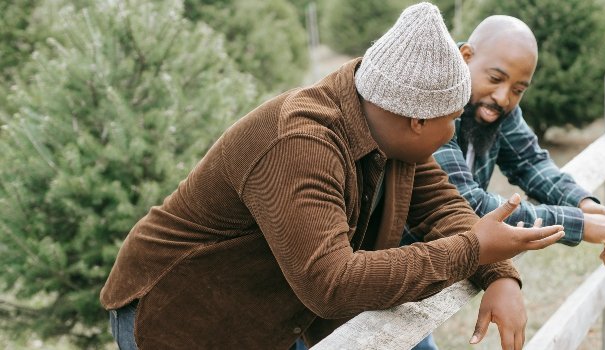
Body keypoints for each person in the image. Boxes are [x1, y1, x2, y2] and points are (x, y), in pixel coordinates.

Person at [100, 4, 565, 350]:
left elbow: (442, 207)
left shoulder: (391, 126)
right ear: (417, 120)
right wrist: (472, 249)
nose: (455, 129)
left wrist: (499, 273)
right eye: (452, 118)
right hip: (182, 315)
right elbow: (332, 283)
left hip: (277, 311)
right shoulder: (299, 141)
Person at [402, 15, 605, 349]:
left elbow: (530, 162)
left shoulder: (495, 104)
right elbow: (466, 203)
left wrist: (584, 204)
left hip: (420, 275)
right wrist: (577, 224)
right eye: (496, 79)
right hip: (376, 264)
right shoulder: (432, 101)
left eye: (517, 89)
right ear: (466, 57)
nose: (503, 97)